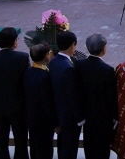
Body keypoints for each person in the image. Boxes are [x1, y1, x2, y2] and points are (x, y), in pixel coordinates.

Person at [0, 27, 30, 159]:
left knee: (1, 141)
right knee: (21, 140)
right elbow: (26, 81)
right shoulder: (22, 57)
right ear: (15, 42)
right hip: (19, 106)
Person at [76, 34, 117, 159]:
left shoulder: (79, 64)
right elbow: (112, 97)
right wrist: (115, 117)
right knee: (102, 149)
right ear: (104, 49)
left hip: (86, 115)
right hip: (103, 118)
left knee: (89, 146)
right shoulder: (107, 70)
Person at [49, 31, 85, 159]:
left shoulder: (52, 62)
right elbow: (72, 96)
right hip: (69, 119)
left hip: (58, 115)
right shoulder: (68, 68)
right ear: (72, 45)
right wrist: (80, 118)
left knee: (62, 147)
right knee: (69, 150)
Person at [24, 43, 58, 159]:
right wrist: (55, 123)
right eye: (49, 53)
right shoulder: (45, 77)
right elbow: (47, 103)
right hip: (43, 122)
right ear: (46, 56)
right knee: (45, 150)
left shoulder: (27, 72)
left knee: (34, 148)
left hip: (31, 118)